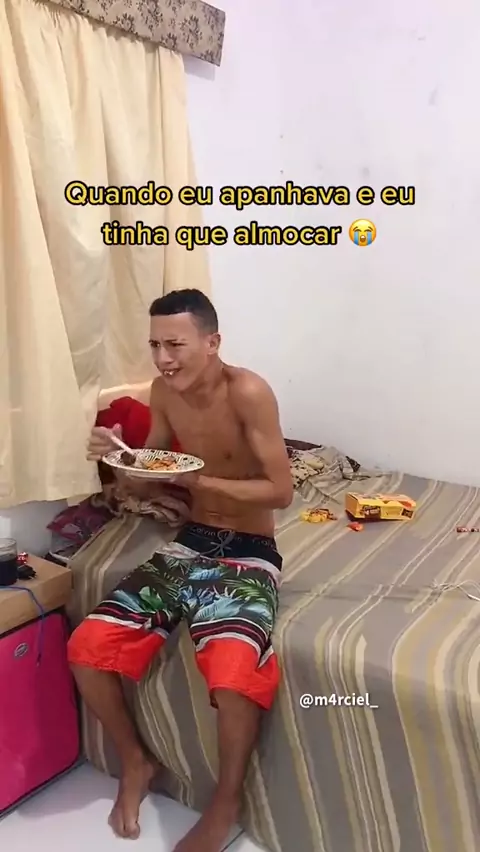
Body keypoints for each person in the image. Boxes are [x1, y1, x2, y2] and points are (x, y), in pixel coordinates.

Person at [67, 288, 293, 852]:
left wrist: (196, 482)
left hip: (248, 549)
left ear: (212, 342)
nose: (163, 359)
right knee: (87, 647)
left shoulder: (248, 392)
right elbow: (150, 475)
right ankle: (135, 761)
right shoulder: (163, 393)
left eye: (175, 344)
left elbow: (281, 491)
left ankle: (225, 802)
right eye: (154, 345)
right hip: (190, 543)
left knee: (234, 673)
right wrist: (119, 458)